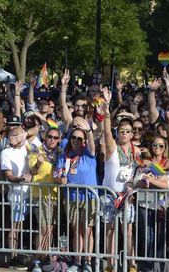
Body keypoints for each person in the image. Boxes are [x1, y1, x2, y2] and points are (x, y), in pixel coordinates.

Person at [102, 87, 139, 272]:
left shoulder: (135, 151)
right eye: (122, 131)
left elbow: (138, 171)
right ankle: (109, 264)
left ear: (132, 133)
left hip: (127, 197)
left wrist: (134, 183)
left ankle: (132, 265)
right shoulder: (112, 148)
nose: (124, 133)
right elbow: (107, 132)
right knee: (110, 230)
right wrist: (107, 108)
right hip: (110, 195)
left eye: (128, 131)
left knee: (129, 232)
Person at [54, 118, 97, 272]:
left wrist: (89, 131)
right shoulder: (63, 156)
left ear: (84, 141)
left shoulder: (88, 154)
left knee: (87, 230)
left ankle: (87, 261)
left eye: (80, 138)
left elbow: (92, 147)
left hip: (89, 198)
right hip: (71, 198)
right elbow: (57, 175)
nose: (76, 141)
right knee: (76, 230)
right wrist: (60, 179)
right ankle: (77, 261)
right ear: (70, 138)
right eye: (74, 137)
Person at [135, 135, 169, 272]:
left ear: (165, 148)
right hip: (145, 204)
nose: (157, 148)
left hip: (162, 206)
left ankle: (158, 267)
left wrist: (151, 180)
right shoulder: (144, 162)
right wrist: (155, 180)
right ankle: (146, 267)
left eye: (161, 146)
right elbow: (138, 182)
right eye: (154, 145)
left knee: (159, 239)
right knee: (146, 238)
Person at [29, 127, 62, 264]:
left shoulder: (60, 153)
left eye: (55, 137)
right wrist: (38, 163)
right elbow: (33, 171)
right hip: (41, 194)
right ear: (45, 137)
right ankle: (38, 258)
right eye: (50, 136)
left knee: (50, 228)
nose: (52, 139)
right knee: (44, 227)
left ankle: (44, 256)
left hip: (55, 195)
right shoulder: (37, 151)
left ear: (59, 140)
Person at [0, 126, 32, 270]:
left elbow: (39, 129)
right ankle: (13, 257)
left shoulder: (26, 146)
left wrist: (24, 135)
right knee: (15, 227)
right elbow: (9, 175)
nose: (14, 139)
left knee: (28, 228)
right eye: (12, 136)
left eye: (17, 136)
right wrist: (20, 179)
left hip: (33, 193)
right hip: (17, 194)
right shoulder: (6, 152)